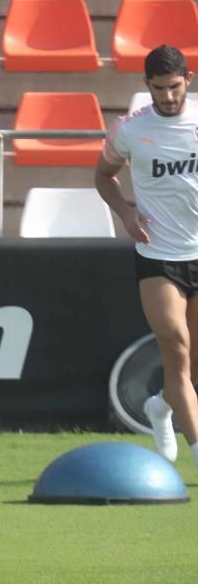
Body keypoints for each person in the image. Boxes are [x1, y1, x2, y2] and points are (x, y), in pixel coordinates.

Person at [95, 44, 198, 465]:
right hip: (158, 255)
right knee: (174, 345)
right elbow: (104, 176)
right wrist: (125, 211)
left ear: (187, 80)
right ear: (146, 86)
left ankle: (161, 405)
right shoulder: (129, 130)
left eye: (174, 87)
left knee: (191, 365)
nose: (167, 96)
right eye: (159, 88)